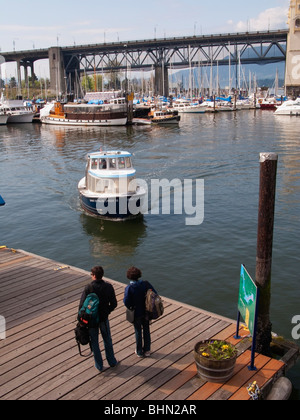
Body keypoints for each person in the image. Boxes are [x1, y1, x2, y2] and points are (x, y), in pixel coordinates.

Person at [79, 266, 118, 372]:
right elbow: (114, 304)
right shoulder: (108, 286)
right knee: (107, 340)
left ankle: (99, 365)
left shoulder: (88, 288)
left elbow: (82, 305)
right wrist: (107, 311)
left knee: (94, 342)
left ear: (94, 275)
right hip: (103, 318)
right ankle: (112, 361)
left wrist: (81, 321)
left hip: (91, 320)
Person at [123, 267, 157, 358]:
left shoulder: (129, 288)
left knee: (138, 331)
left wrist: (130, 307)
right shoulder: (145, 284)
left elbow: (126, 301)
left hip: (136, 313)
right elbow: (154, 294)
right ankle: (147, 350)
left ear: (129, 277)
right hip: (146, 311)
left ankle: (139, 351)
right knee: (146, 330)